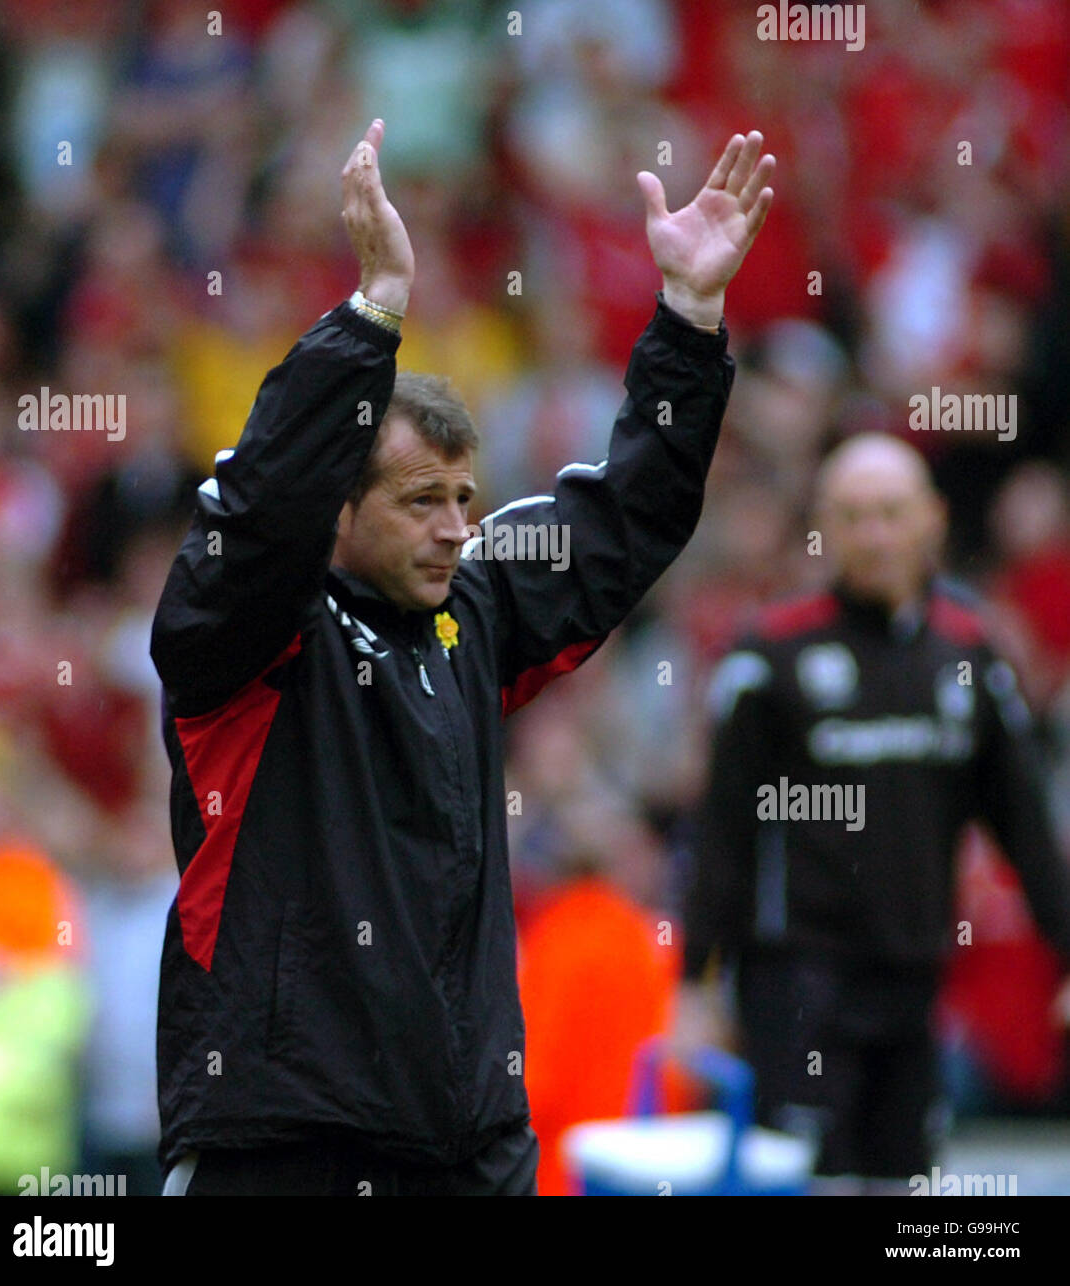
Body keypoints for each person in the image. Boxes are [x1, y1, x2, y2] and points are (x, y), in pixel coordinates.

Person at [151, 118, 775, 1195]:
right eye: (420, 501)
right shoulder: (246, 636)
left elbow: (627, 517)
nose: (456, 528)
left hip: (468, 1140)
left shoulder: (473, 613)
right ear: (335, 512)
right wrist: (374, 308)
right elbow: (258, 511)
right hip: (284, 1141)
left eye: (465, 500)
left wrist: (688, 315)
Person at [674, 433, 1070, 1193]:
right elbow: (722, 832)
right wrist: (693, 983)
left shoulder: (968, 656)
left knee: (907, 1194)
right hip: (796, 980)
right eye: (853, 516)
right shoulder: (770, 657)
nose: (875, 535)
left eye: (891, 513)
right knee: (808, 1183)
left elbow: (1021, 822)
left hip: (914, 978)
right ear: (824, 525)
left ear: (932, 519)